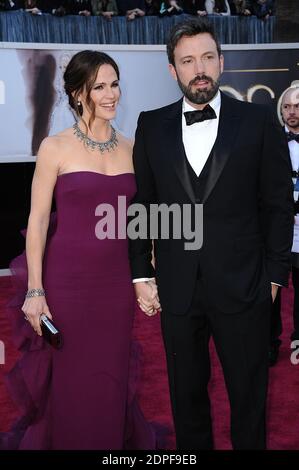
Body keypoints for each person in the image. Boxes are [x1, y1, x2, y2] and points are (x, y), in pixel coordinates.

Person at [129, 18, 293, 450]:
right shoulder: (151, 125)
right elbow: (143, 204)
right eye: (187, 60)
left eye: (206, 57)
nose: (198, 68)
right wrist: (140, 274)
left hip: (245, 286)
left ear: (221, 62)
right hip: (178, 290)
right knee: (186, 400)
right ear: (173, 70)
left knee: (249, 398)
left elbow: (278, 205)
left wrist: (275, 277)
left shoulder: (258, 121)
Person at [1, 50, 156, 450]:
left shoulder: (133, 148)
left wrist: (148, 272)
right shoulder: (55, 147)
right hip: (67, 283)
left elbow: (141, 220)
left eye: (115, 83)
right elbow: (37, 222)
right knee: (70, 377)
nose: (110, 94)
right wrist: (35, 291)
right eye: (98, 86)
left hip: (115, 285)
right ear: (76, 94)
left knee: (110, 375)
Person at [270, 85, 299, 366]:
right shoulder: (271, 140)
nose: (292, 112)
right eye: (287, 107)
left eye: (297, 106)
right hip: (277, 226)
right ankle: (270, 342)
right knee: (273, 284)